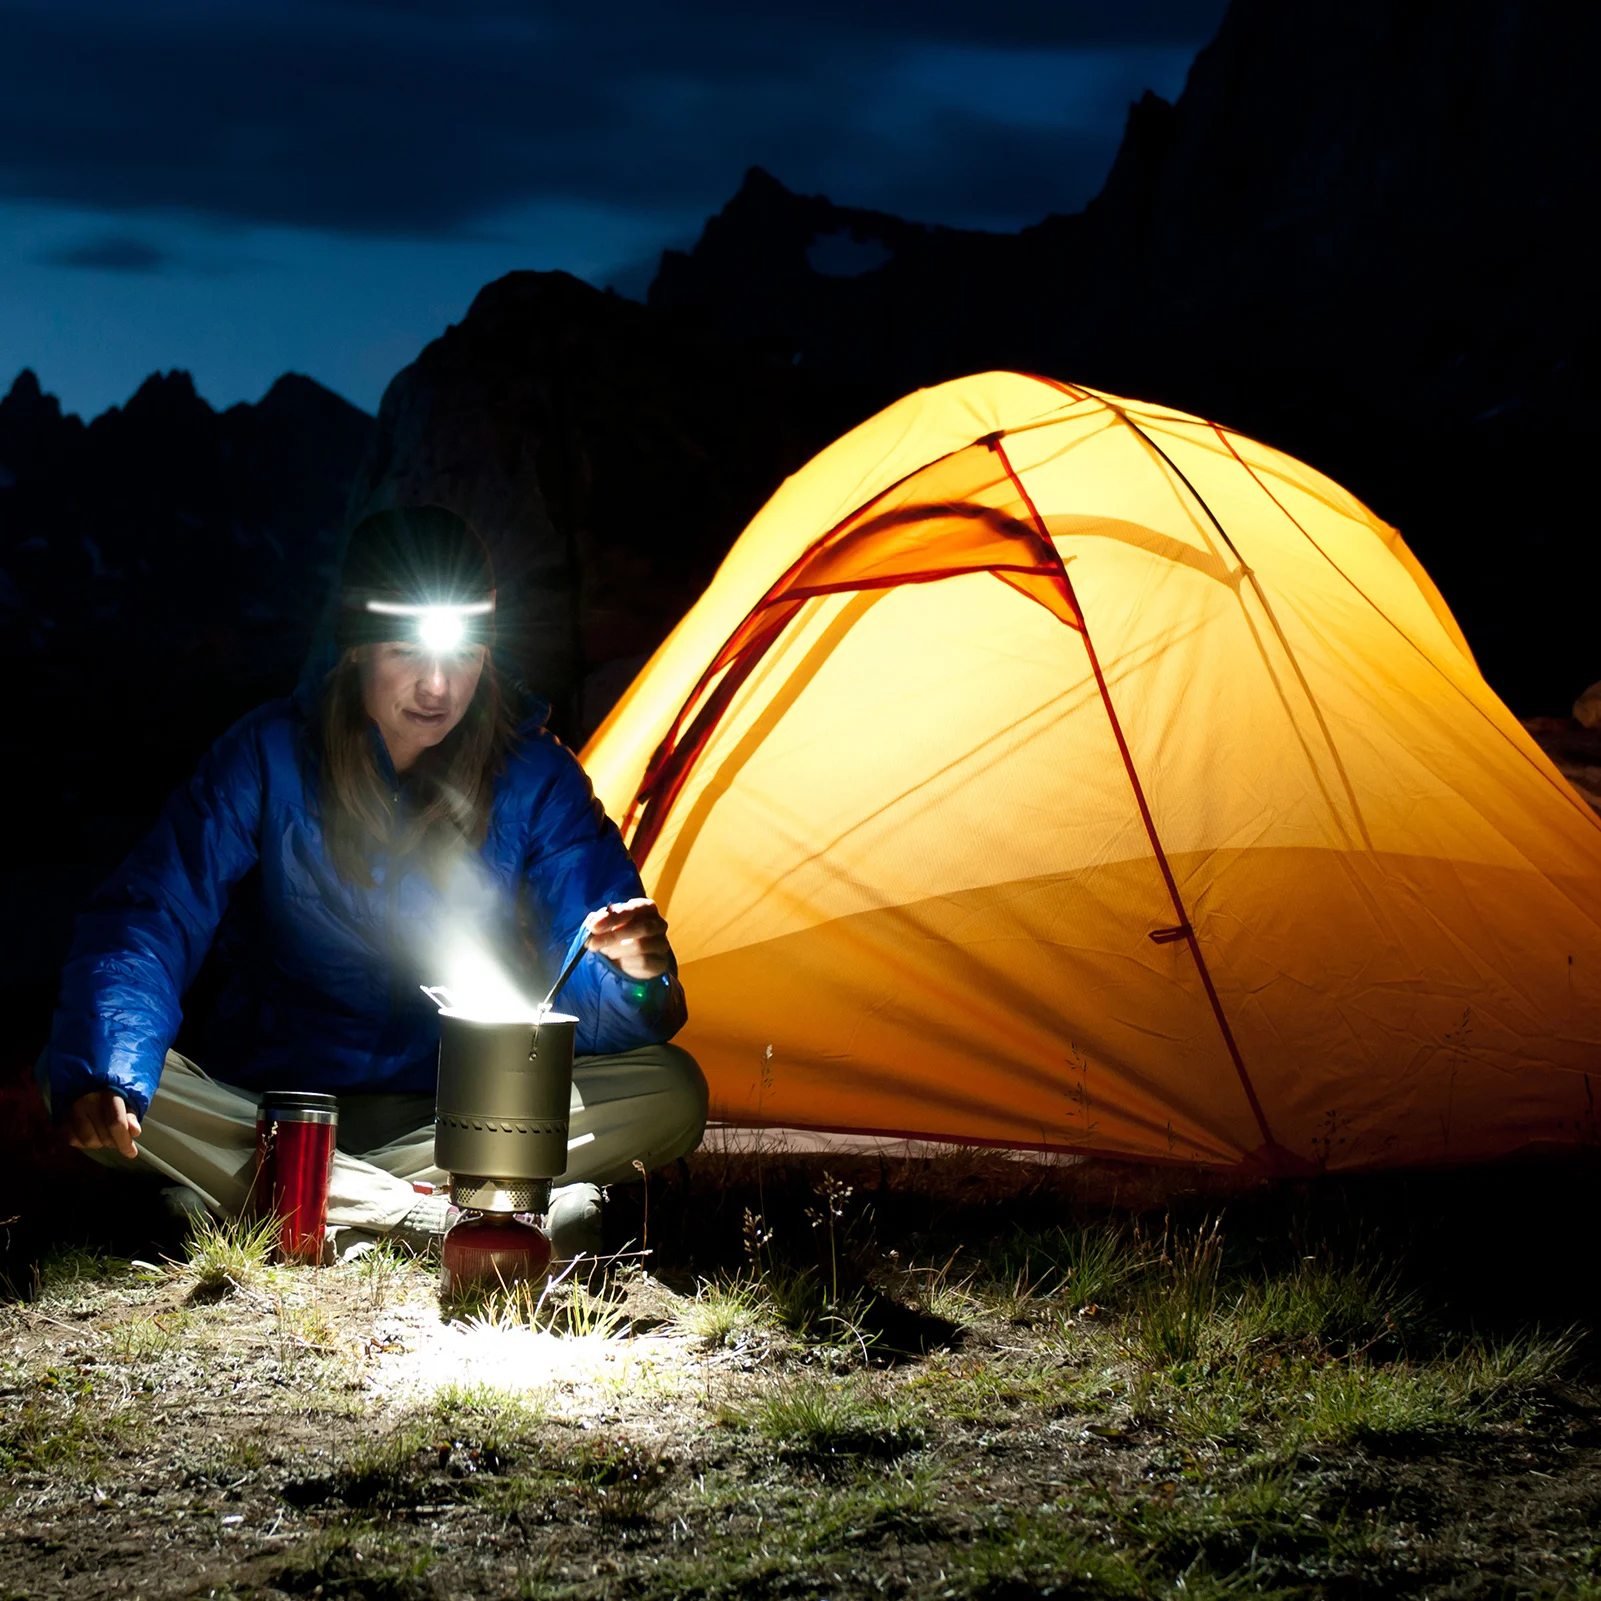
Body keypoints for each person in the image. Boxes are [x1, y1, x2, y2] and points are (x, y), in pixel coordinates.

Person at [41, 505, 706, 1258]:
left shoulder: (536, 777)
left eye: (463, 654)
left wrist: (633, 978)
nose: (437, 684)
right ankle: (446, 1214)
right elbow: (152, 913)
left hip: (454, 1110)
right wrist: (110, 1070)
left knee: (672, 1092)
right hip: (274, 1100)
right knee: (82, 1070)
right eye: (405, 651)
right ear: (356, 644)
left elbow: (587, 980)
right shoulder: (268, 754)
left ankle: (275, 1200)